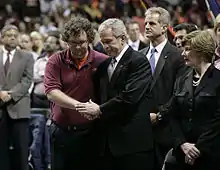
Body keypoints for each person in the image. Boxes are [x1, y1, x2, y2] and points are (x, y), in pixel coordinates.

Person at [76, 18, 155, 170]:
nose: (105, 46)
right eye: (103, 42)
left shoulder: (139, 61)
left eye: (109, 41)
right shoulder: (105, 64)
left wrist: (99, 110)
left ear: (123, 38)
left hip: (132, 143)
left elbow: (129, 97)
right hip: (108, 143)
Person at [44, 17, 108, 170]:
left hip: (91, 133)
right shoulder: (55, 61)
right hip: (62, 132)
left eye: (82, 42)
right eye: (74, 43)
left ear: (89, 40)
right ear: (67, 41)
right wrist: (80, 106)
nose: (79, 47)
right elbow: (52, 92)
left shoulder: (102, 61)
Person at [140, 7, 186, 169]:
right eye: (145, 23)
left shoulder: (178, 55)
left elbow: (179, 93)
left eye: (152, 23)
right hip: (142, 131)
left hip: (167, 130)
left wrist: (160, 115)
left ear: (165, 27)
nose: (146, 26)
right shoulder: (140, 54)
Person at [167, 30, 220, 170]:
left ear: (201, 51)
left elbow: (218, 122)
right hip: (181, 154)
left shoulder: (218, 79)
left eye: (188, 49)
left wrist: (198, 149)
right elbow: (173, 115)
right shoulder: (181, 79)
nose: (183, 53)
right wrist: (182, 144)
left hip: (211, 155)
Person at [0, 25, 34, 170]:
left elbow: (27, 80)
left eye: (15, 35)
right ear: (1, 38)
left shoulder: (26, 56)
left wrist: (10, 95)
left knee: (21, 149)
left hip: (19, 107)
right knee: (1, 149)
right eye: (9, 35)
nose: (13, 37)